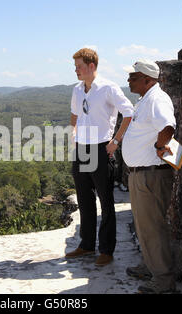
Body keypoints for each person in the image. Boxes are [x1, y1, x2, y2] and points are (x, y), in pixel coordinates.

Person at [65, 48, 134, 266]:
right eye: (75, 66)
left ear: (91, 66)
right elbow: (75, 114)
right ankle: (86, 245)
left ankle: (106, 250)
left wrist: (116, 141)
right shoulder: (77, 90)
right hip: (82, 149)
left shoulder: (108, 88)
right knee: (84, 200)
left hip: (101, 148)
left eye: (79, 66)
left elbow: (129, 112)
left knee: (106, 202)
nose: (76, 70)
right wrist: (74, 136)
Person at [121, 59, 177, 293]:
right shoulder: (146, 99)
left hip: (150, 175)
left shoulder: (157, 99)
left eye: (133, 77)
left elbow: (168, 127)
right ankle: (151, 266)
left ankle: (163, 280)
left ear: (148, 79)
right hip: (142, 174)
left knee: (152, 227)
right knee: (145, 227)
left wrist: (158, 145)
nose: (128, 80)